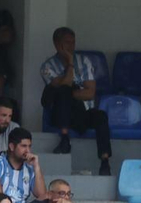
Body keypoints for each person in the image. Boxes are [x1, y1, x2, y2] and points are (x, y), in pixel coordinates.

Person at [39, 26, 111, 174]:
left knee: (101, 116)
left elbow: (90, 93)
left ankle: (105, 161)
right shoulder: (47, 66)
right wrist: (70, 64)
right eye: (67, 42)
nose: (71, 46)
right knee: (64, 91)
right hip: (60, 115)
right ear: (57, 44)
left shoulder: (84, 61)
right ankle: (64, 138)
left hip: (82, 111)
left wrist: (68, 93)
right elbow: (64, 85)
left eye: (73, 42)